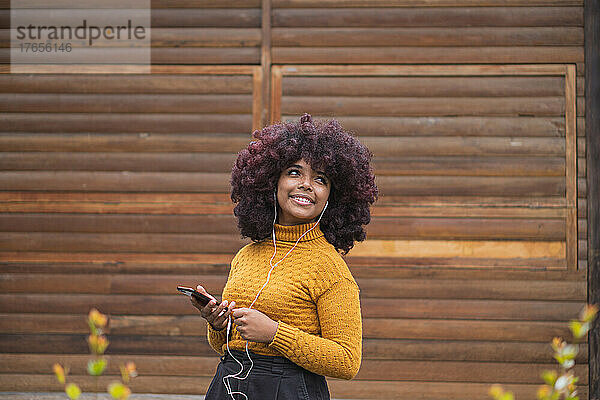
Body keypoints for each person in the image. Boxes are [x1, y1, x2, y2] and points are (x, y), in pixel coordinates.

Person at [189, 113, 378, 400]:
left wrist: (275, 333)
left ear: (332, 197)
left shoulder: (330, 268)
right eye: (294, 172)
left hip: (290, 391)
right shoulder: (246, 256)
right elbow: (226, 346)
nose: (306, 184)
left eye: (320, 178)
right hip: (229, 386)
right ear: (271, 181)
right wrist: (218, 324)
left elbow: (347, 360)